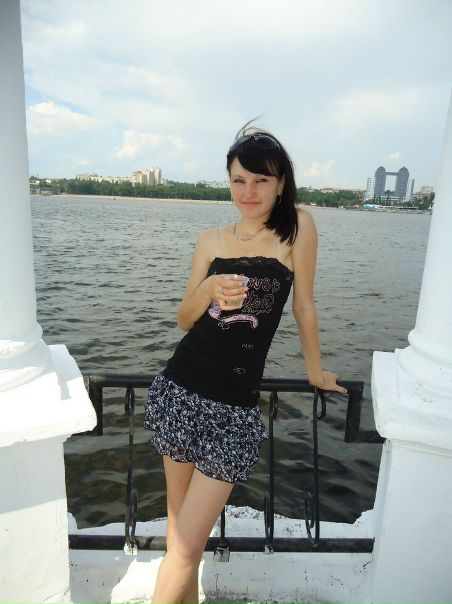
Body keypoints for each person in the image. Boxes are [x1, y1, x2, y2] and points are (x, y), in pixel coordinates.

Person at [144, 123, 348, 604]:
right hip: (179, 392)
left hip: (234, 409)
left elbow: (304, 306)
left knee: (185, 546)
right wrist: (208, 289)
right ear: (228, 182)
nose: (249, 191)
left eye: (261, 180)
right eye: (239, 180)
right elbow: (184, 319)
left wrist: (314, 372)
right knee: (181, 540)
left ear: (281, 183)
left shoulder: (297, 228)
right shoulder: (210, 240)